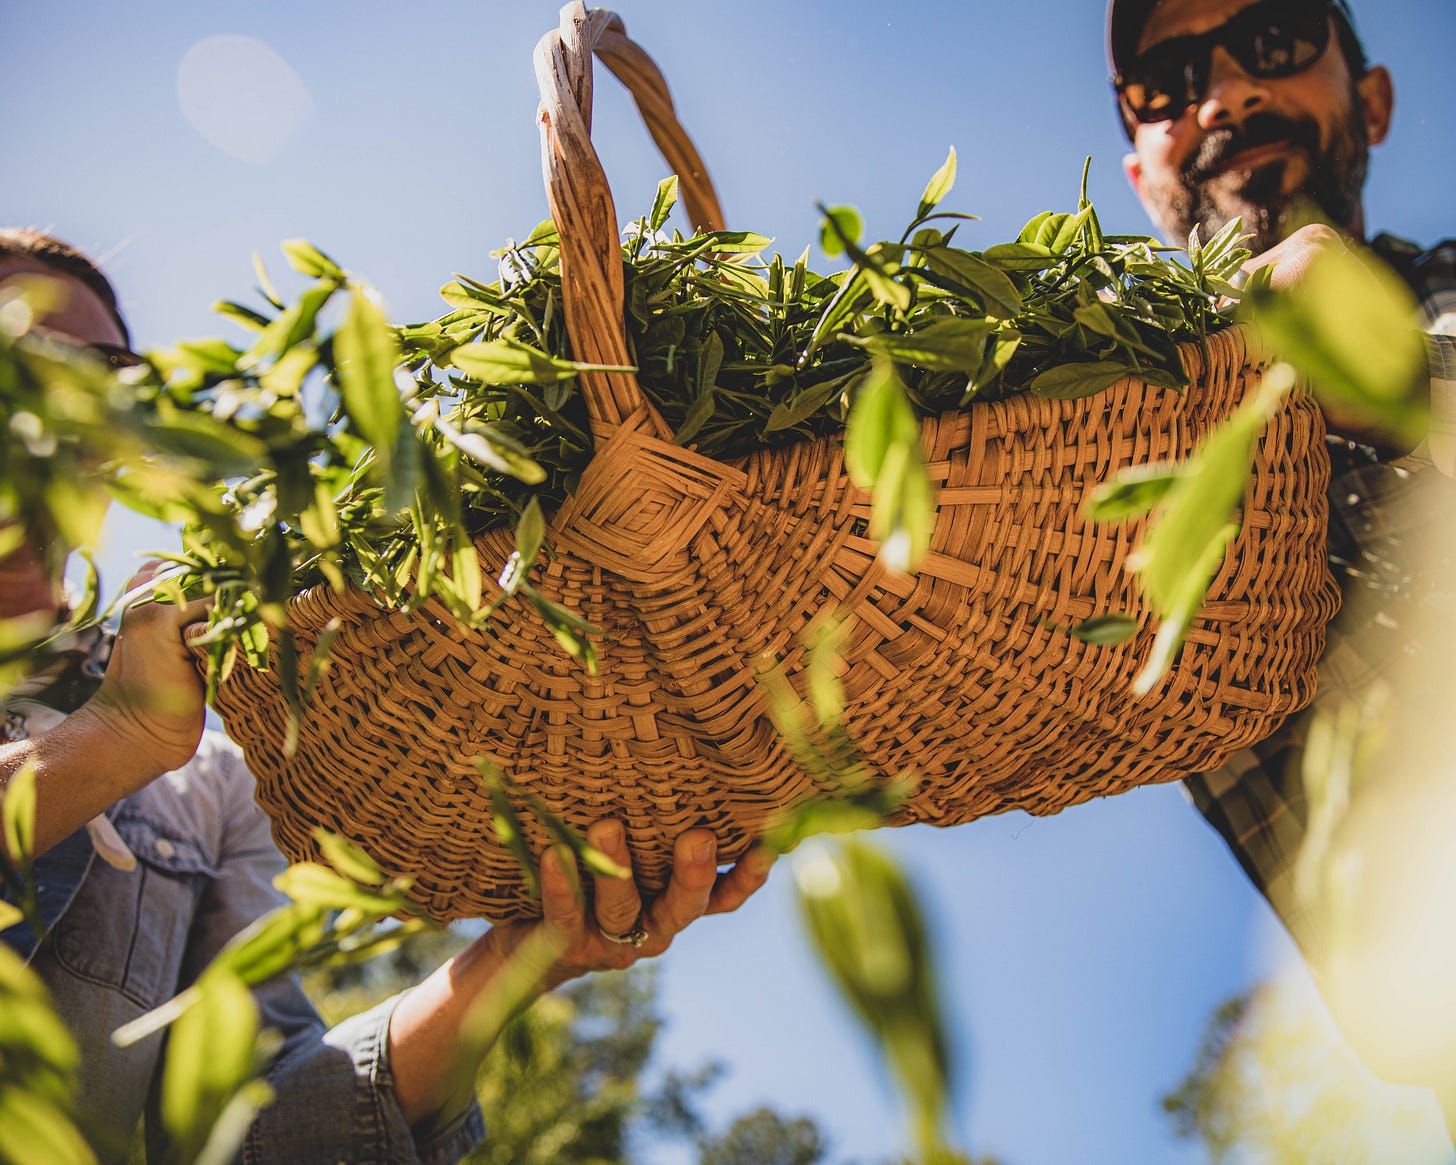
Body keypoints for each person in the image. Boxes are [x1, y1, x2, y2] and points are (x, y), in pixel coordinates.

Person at [0, 228, 776, 1164]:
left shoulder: (203, 783)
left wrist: (518, 957)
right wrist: (109, 740)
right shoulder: (140, 731)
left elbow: (253, 1129)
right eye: (27, 348)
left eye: (114, 372)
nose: (76, 393)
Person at [1107, 0, 1456, 1117]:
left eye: (1274, 39)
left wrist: (1396, 380)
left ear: (1374, 99)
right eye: (1166, 81)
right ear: (1137, 171)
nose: (1224, 95)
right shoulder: (1085, 446)